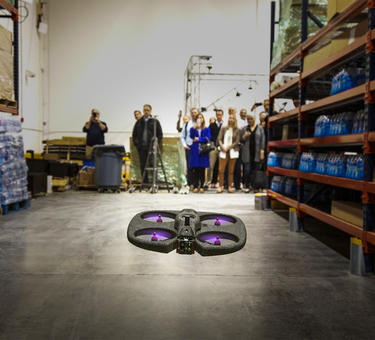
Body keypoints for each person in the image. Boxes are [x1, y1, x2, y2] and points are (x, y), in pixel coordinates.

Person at [132, 104, 163, 183]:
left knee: (153, 165)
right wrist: (137, 144)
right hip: (141, 148)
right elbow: (134, 135)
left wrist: (156, 144)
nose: (146, 112)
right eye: (144, 110)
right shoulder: (139, 122)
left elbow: (160, 134)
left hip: (152, 148)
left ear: (150, 111)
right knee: (143, 165)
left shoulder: (155, 122)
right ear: (143, 111)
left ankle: (154, 183)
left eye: (147, 110)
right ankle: (145, 183)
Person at [241, 114, 265, 192]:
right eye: (248, 119)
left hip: (257, 153)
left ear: (254, 119)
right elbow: (241, 141)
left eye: (251, 119)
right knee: (247, 170)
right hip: (247, 153)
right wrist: (244, 136)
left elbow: (263, 139)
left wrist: (262, 150)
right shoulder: (245, 128)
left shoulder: (260, 128)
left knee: (256, 170)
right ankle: (247, 186)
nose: (249, 120)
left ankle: (255, 187)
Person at [217, 115, 240, 193]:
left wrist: (228, 147)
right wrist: (222, 146)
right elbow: (219, 139)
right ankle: (220, 186)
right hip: (223, 150)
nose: (231, 119)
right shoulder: (223, 128)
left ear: (235, 120)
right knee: (221, 170)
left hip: (233, 151)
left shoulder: (237, 129)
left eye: (232, 118)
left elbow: (236, 141)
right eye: (230, 118)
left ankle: (230, 186)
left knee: (231, 171)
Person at [189, 113, 211, 193]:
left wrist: (199, 139)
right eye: (198, 118)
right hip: (195, 150)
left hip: (203, 150)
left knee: (202, 169)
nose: (199, 119)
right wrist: (194, 128)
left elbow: (207, 138)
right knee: (195, 169)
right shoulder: (193, 128)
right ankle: (195, 186)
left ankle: (201, 186)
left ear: (203, 119)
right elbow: (191, 136)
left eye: (201, 117)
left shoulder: (206, 128)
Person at [181, 108, 198, 188]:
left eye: (195, 112)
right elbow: (182, 136)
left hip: (198, 147)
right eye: (192, 113)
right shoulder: (187, 124)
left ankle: (197, 184)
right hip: (189, 147)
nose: (194, 114)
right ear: (191, 114)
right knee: (190, 166)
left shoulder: (201, 123)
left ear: (198, 113)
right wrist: (185, 145)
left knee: (198, 166)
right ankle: (190, 183)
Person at [207, 109, 224, 188]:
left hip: (222, 147)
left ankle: (214, 182)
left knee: (219, 166)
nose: (219, 116)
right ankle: (208, 181)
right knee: (211, 165)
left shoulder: (225, 125)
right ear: (216, 115)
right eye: (217, 115)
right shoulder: (212, 125)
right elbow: (209, 136)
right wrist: (213, 144)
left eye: (220, 114)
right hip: (213, 147)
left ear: (222, 115)